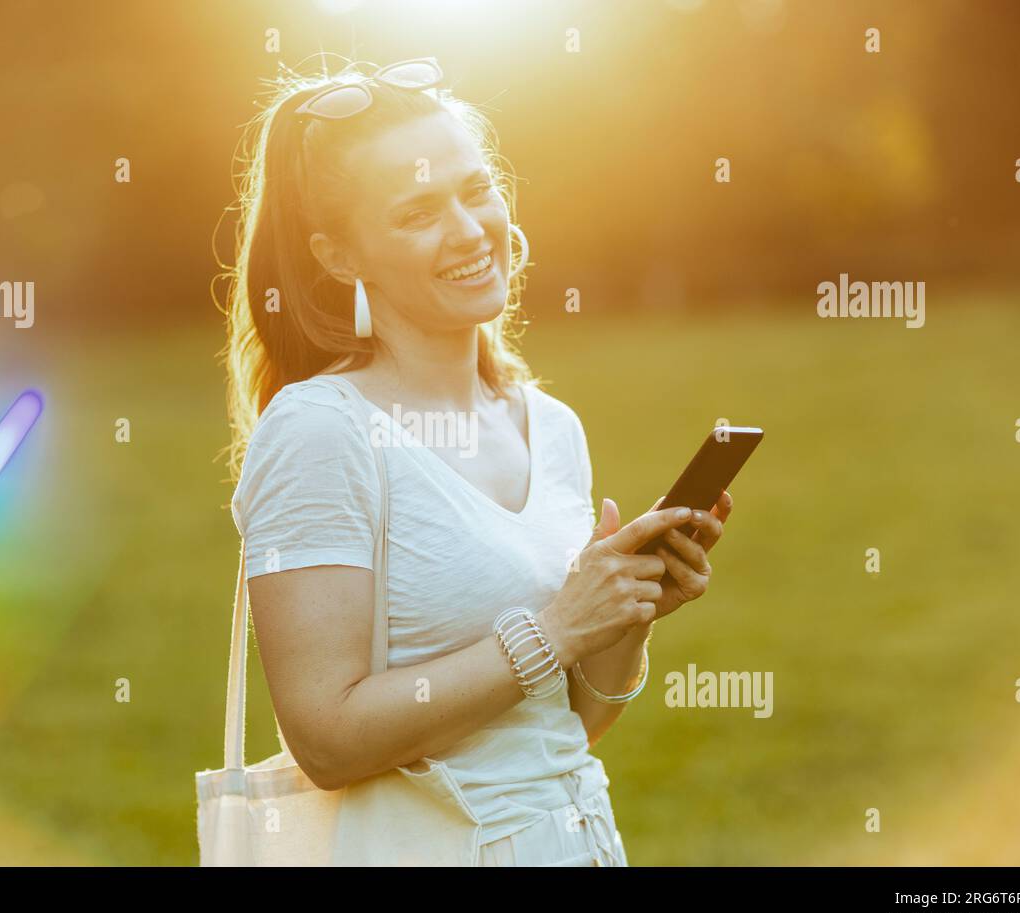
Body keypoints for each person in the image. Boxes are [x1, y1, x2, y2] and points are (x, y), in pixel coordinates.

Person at [219, 55, 732, 865]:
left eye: (476, 189)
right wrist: (557, 626)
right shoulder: (322, 432)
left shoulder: (550, 425)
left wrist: (623, 618)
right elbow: (326, 741)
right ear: (339, 256)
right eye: (418, 212)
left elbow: (567, 720)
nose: (467, 230)